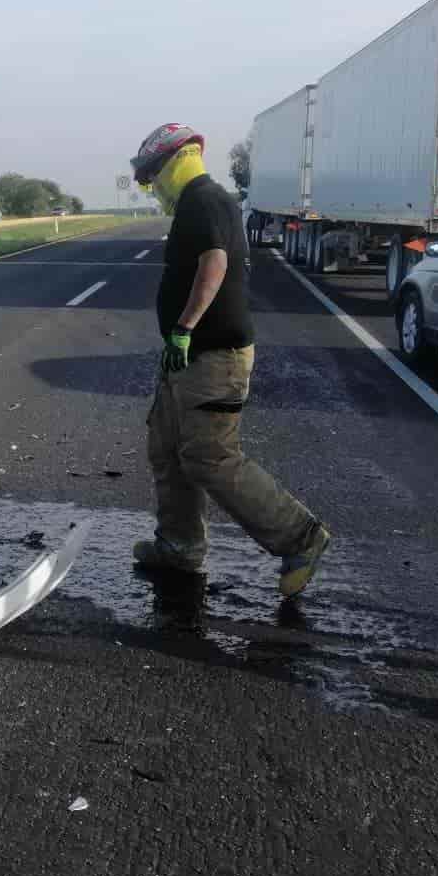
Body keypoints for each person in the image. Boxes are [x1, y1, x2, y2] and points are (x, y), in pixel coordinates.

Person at [128, 123, 330, 595]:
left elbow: (214, 263)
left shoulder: (205, 199)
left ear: (172, 162)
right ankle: (179, 547)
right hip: (190, 355)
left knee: (209, 456)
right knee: (167, 448)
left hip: (213, 355)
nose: (149, 186)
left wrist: (183, 328)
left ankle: (301, 538)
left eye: (150, 175)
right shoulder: (200, 203)